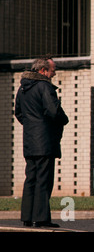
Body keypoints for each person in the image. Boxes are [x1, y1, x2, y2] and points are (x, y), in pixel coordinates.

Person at [15, 56, 69, 227]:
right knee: (44, 180)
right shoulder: (45, 86)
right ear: (43, 71)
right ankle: (41, 218)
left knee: (31, 178)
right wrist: (63, 119)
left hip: (29, 140)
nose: (55, 73)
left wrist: (32, 126)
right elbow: (53, 111)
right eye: (53, 69)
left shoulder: (23, 88)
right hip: (45, 141)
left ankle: (27, 217)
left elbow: (19, 113)